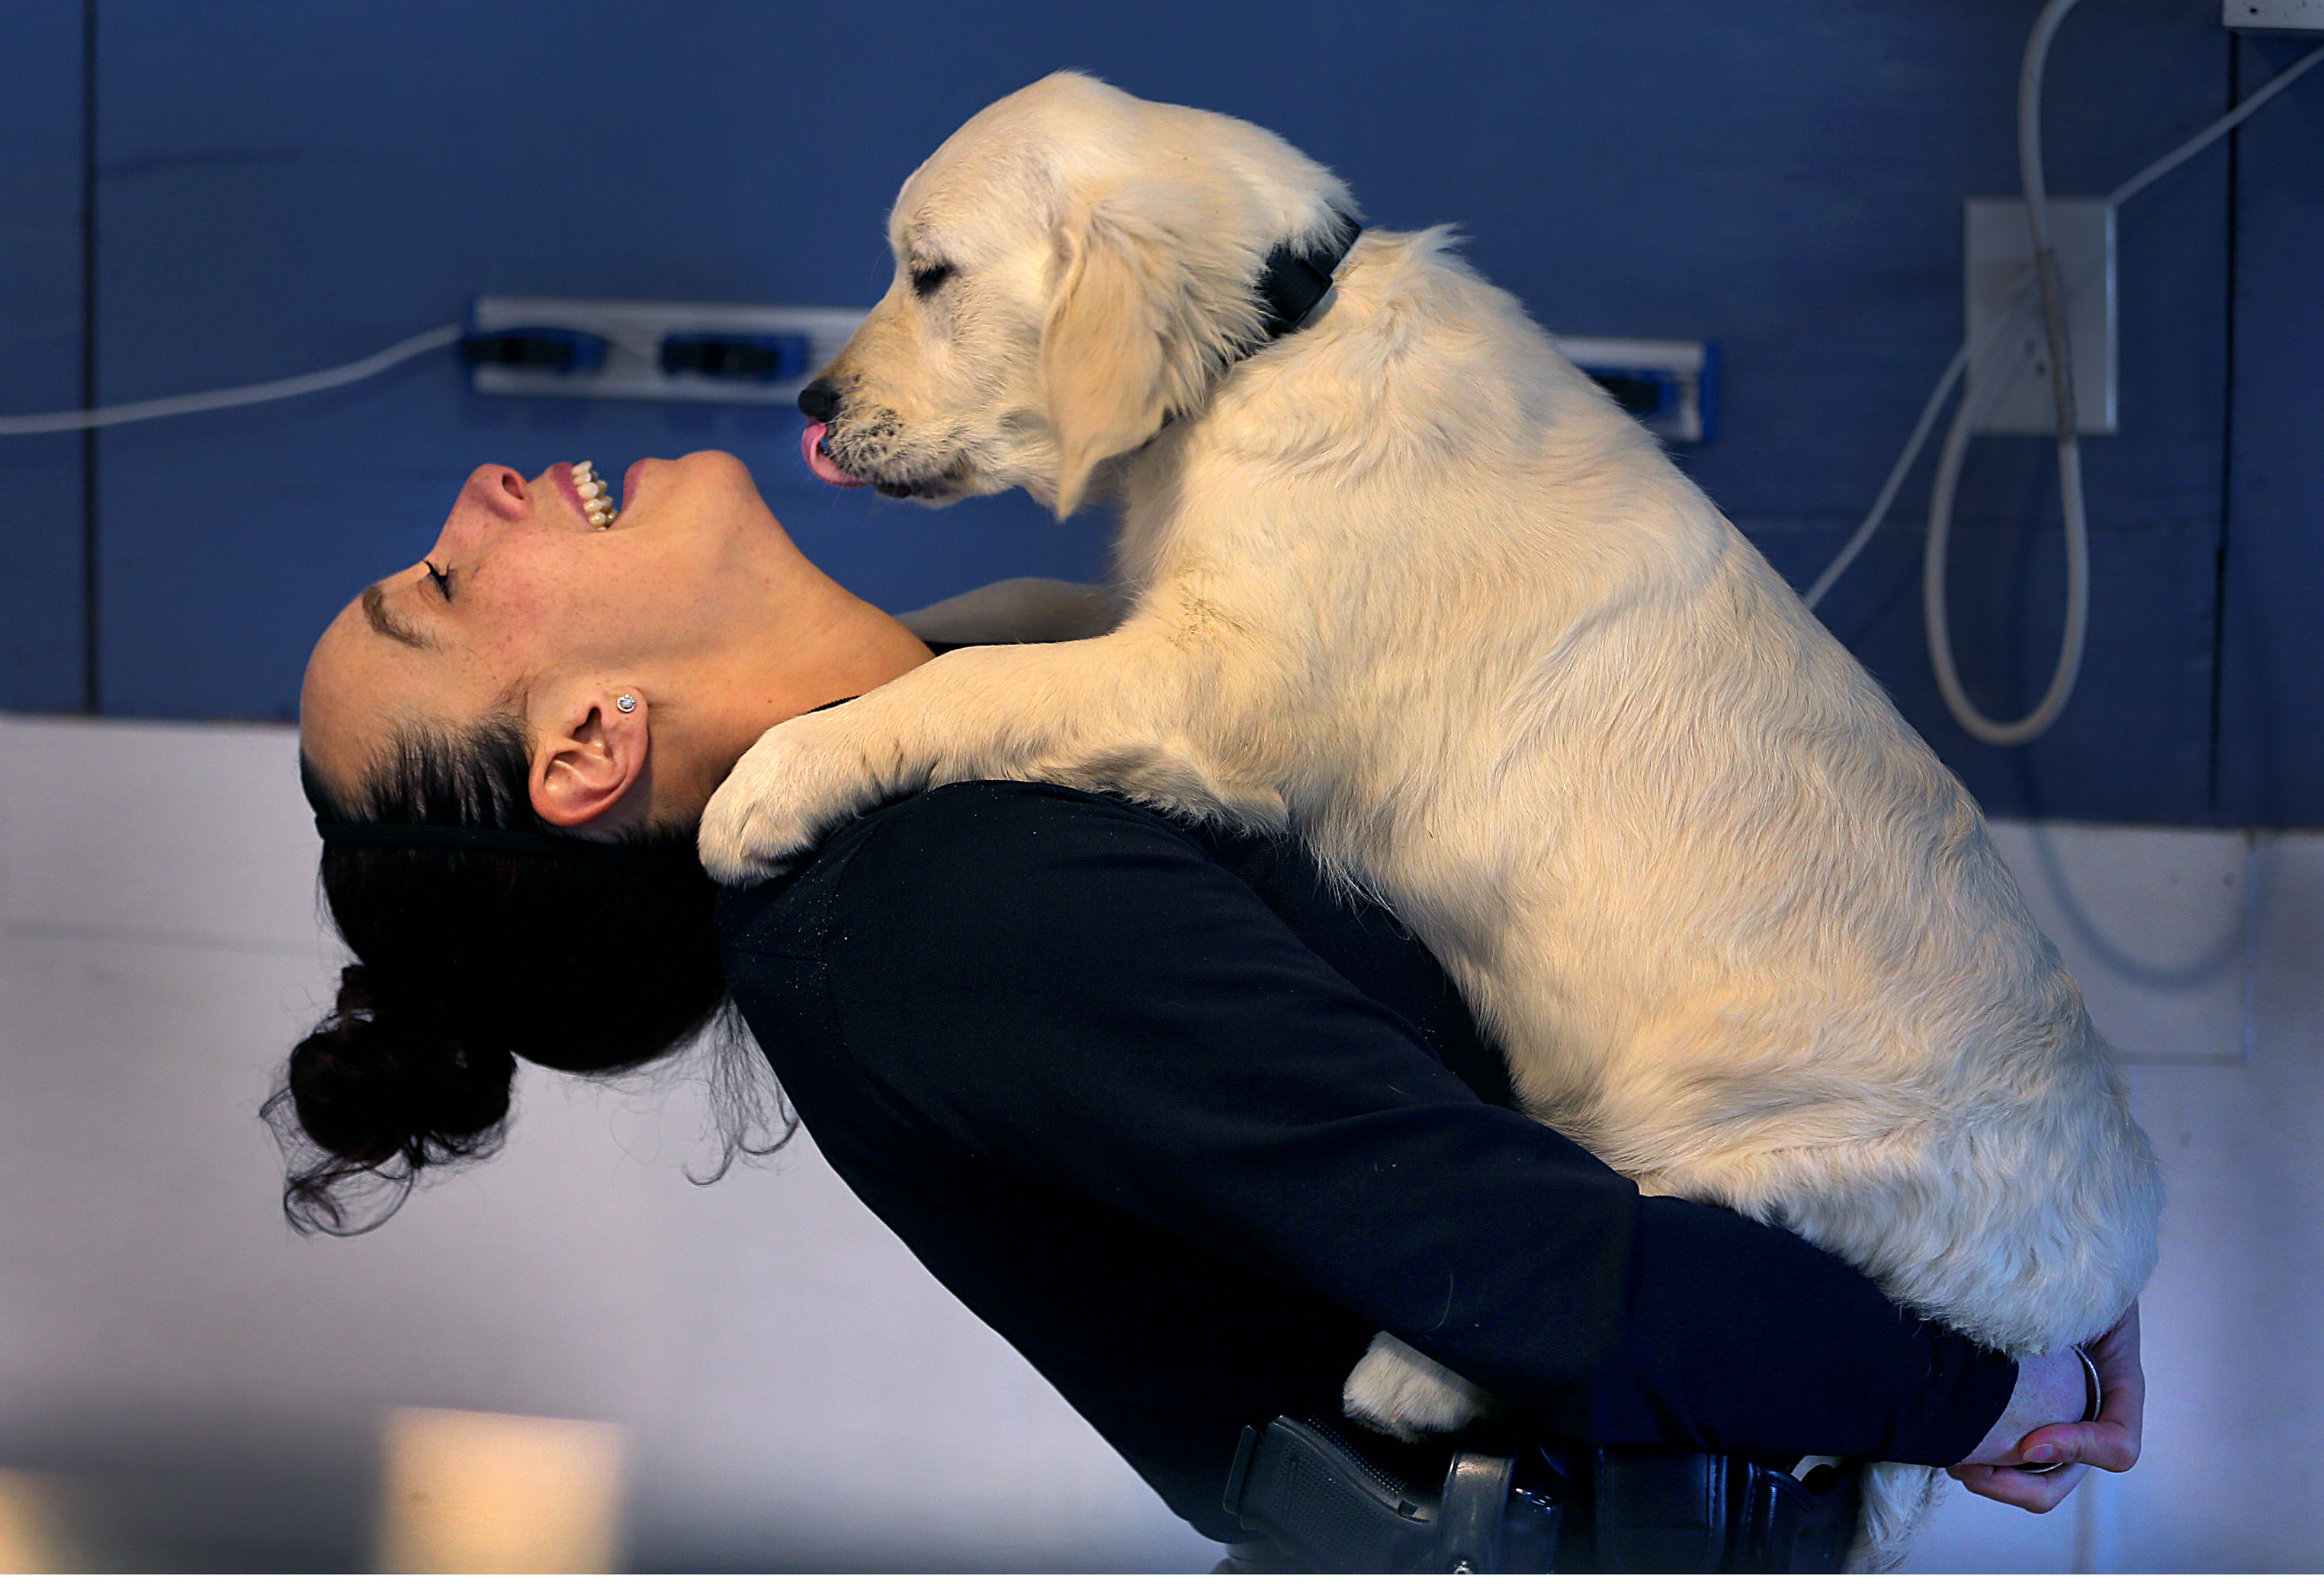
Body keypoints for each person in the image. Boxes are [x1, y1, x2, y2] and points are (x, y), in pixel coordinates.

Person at [283, 449, 2143, 1565]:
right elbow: (1532, 1274)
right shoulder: (931, 901)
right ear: (592, 743)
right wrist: (1985, 1381)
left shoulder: (985, 698)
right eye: (447, 588)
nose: (480, 496)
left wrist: (1995, 1250)